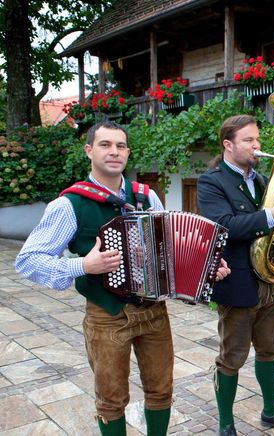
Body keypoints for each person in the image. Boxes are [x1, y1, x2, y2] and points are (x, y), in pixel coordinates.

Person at [15, 120, 229, 435]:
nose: (114, 152)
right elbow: (28, 261)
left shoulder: (146, 197)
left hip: (154, 313)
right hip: (106, 315)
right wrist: (82, 266)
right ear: (89, 151)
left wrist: (207, 268)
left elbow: (170, 247)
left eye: (120, 146)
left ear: (127, 152)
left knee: (161, 391)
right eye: (105, 145)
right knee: (111, 400)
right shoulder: (69, 204)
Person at [197, 114, 274, 436]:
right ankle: (225, 423)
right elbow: (224, 227)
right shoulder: (211, 182)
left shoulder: (260, 181)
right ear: (228, 144)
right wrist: (271, 215)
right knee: (232, 358)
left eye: (258, 140)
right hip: (237, 284)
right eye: (249, 140)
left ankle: (271, 411)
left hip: (268, 280)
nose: (257, 146)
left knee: (270, 349)